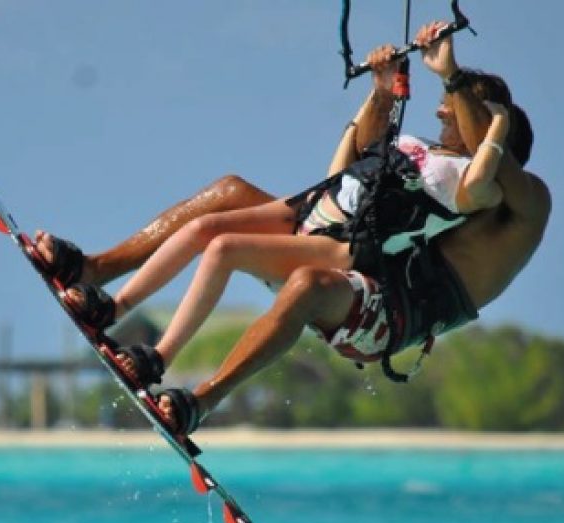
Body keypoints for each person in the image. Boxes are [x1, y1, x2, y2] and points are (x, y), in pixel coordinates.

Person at [33, 21, 516, 387]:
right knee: (208, 226)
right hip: (311, 207)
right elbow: (346, 166)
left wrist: (491, 118)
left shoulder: (475, 185)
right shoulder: (421, 145)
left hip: (343, 247)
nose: (441, 109)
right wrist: (381, 91)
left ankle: (158, 358)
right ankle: (112, 307)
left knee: (222, 248)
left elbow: (479, 177)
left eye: (453, 107)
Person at [147, 26, 552, 434]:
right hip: (352, 265)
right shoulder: (449, 178)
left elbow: (488, 150)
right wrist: (382, 91)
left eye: (461, 110)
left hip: (382, 316)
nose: (444, 113)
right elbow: (351, 173)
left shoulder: (529, 202)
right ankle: (98, 277)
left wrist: (454, 78)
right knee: (229, 192)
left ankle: (202, 401)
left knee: (307, 283)